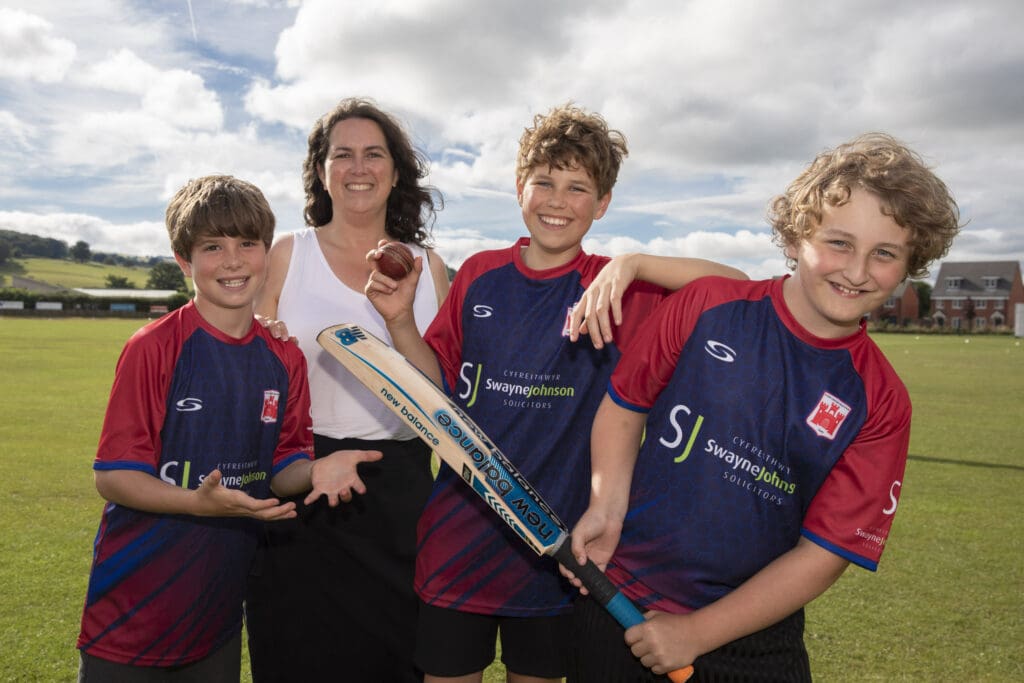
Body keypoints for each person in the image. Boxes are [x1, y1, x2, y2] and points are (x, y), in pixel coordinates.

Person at [366, 103, 746, 683]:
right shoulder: (480, 274)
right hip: (458, 538)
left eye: (578, 187)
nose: (557, 200)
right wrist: (399, 325)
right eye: (544, 181)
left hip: (558, 554)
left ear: (603, 204)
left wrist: (634, 263)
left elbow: (740, 287)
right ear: (520, 187)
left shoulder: (623, 291)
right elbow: (437, 394)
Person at [563, 132, 962, 682]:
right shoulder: (706, 306)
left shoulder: (882, 400)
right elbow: (624, 407)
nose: (857, 270)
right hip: (619, 604)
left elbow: (823, 553)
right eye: (839, 243)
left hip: (753, 641)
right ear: (797, 238)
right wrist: (606, 508)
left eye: (886, 254)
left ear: (911, 263)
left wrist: (696, 632)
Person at [76, 175, 381, 682]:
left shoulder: (284, 356)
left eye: (247, 243)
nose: (234, 260)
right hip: (130, 618)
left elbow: (282, 464)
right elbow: (113, 476)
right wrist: (197, 503)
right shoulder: (154, 347)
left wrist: (315, 470)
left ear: (267, 251)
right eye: (213, 246)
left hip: (215, 622)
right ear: (184, 261)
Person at [244, 97, 451, 683]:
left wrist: (402, 322)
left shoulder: (427, 266)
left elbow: (438, 402)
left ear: (395, 169)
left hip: (401, 494)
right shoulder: (288, 254)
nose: (359, 167)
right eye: (343, 154)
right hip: (298, 477)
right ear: (321, 169)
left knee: (396, 660)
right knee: (295, 656)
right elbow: (249, 369)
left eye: (374, 154)